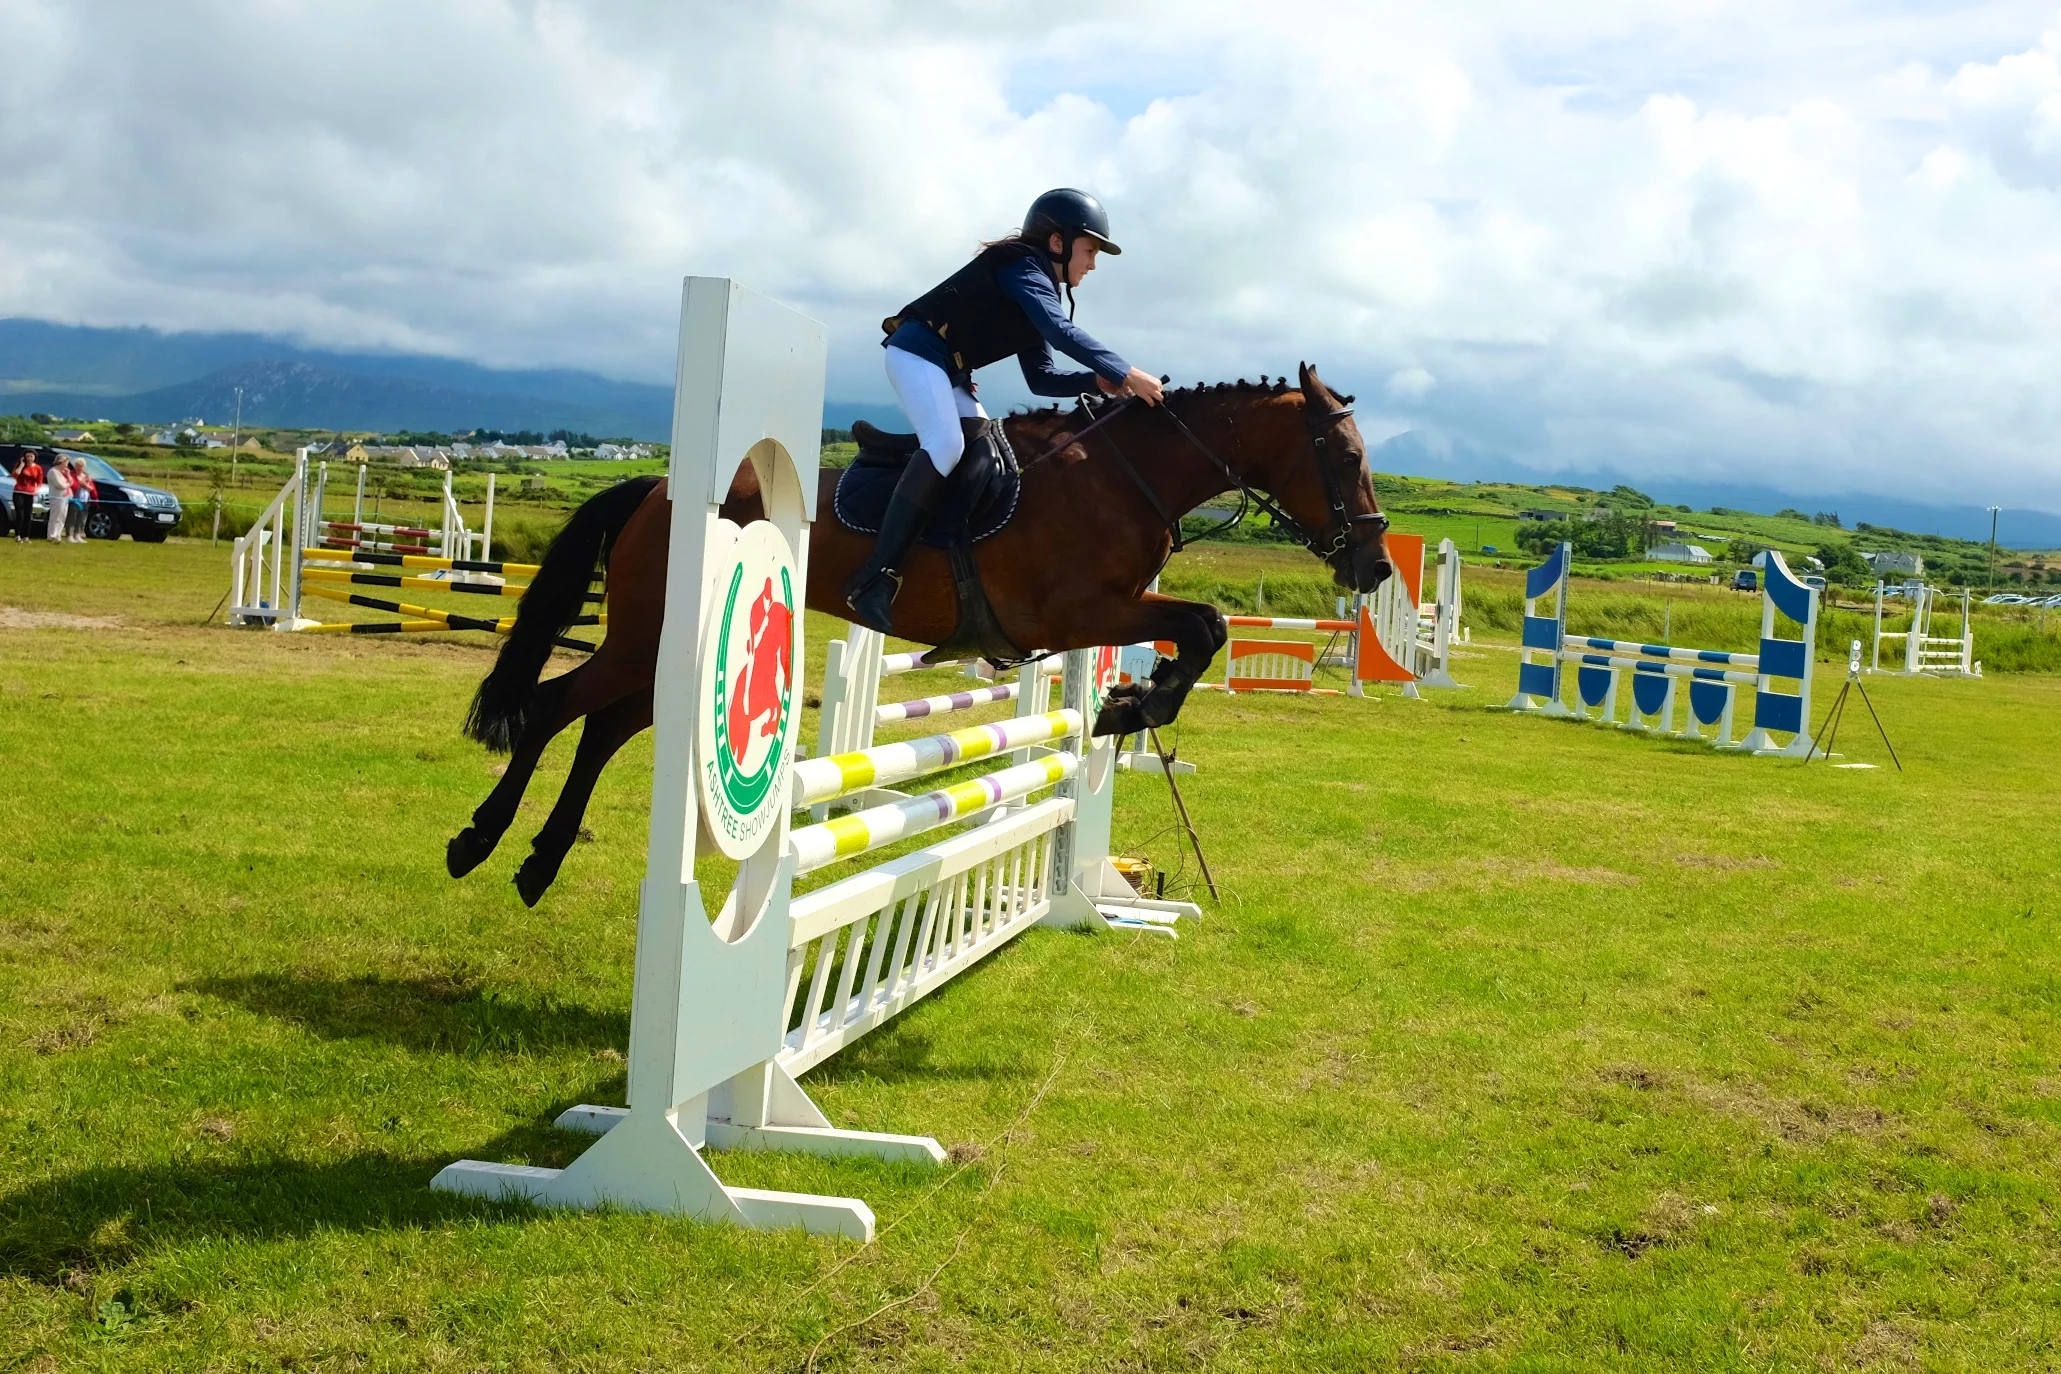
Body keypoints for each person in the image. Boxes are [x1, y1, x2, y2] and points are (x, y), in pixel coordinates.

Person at [843, 187, 1165, 631]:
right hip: (915, 353)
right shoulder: (1023, 268)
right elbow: (1059, 329)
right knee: (946, 443)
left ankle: (950, 555)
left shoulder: (1038, 288)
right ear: (1058, 242)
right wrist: (1125, 371)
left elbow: (1042, 379)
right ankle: (875, 577)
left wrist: (1096, 380)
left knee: (986, 451)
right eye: (1089, 250)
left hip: (945, 370)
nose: (1092, 263)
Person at [10, 449, 42, 541]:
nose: (29, 458)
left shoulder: (37, 468)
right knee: (20, 514)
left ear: (34, 457)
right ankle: (17, 535)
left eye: (31, 456)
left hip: (30, 493)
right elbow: (15, 475)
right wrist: (21, 465)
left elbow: (39, 481)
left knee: (28, 515)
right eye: (27, 456)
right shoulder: (21, 466)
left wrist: (37, 489)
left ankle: (26, 536)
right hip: (19, 492)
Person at [43, 455, 70, 544]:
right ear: (61, 462)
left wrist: (68, 476)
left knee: (62, 517)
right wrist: (68, 484)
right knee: (55, 517)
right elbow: (60, 485)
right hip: (56, 497)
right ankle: (51, 535)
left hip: (64, 497)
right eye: (66, 463)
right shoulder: (53, 472)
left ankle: (58, 535)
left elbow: (71, 482)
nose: (66, 465)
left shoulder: (62, 473)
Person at [65, 458, 93, 542]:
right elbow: (73, 485)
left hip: (85, 500)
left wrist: (84, 484)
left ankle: (78, 535)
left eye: (81, 466)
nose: (79, 468)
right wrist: (83, 484)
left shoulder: (87, 476)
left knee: (82, 518)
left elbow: (91, 488)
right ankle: (69, 535)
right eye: (77, 466)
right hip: (74, 500)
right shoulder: (72, 474)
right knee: (72, 518)